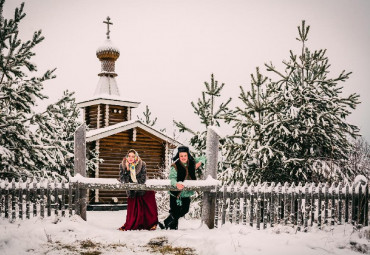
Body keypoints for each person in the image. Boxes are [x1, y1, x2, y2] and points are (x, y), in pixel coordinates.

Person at [160, 145, 206, 230]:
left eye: (185, 155)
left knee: (185, 210)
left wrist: (199, 163)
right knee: (174, 211)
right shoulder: (175, 166)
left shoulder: (192, 162)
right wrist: (176, 184)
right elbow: (172, 178)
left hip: (186, 193)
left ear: (188, 155)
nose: (183, 157)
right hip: (175, 193)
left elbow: (203, 158)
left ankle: (166, 222)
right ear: (179, 156)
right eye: (181, 156)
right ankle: (172, 230)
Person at [118, 149, 158, 231]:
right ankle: (134, 224)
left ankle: (151, 224)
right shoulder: (122, 165)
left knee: (149, 204)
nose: (131, 158)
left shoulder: (141, 164)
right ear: (127, 156)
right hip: (131, 192)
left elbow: (143, 179)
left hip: (142, 189)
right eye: (129, 156)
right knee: (133, 214)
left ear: (136, 157)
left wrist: (134, 182)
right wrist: (127, 170)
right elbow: (123, 180)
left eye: (133, 156)